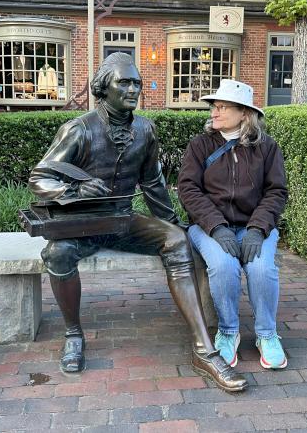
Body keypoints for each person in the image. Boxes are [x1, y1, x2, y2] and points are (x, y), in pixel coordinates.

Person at [28, 53, 247, 392]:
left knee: (176, 240)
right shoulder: (78, 129)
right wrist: (73, 189)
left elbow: (153, 183)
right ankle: (73, 334)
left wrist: (175, 224)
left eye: (137, 84)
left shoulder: (145, 129)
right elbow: (40, 178)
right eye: (124, 83)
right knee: (57, 254)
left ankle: (204, 350)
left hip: (123, 221)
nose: (133, 90)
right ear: (103, 88)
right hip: (82, 224)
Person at [178, 79, 288, 370]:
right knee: (224, 266)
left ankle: (267, 334)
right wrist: (216, 226)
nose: (214, 112)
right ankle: (228, 332)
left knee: (262, 267)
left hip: (254, 226)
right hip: (209, 227)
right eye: (214, 107)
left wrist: (257, 228)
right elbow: (188, 189)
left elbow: (276, 191)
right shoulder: (200, 145)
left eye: (222, 107)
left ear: (244, 113)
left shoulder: (266, 147)